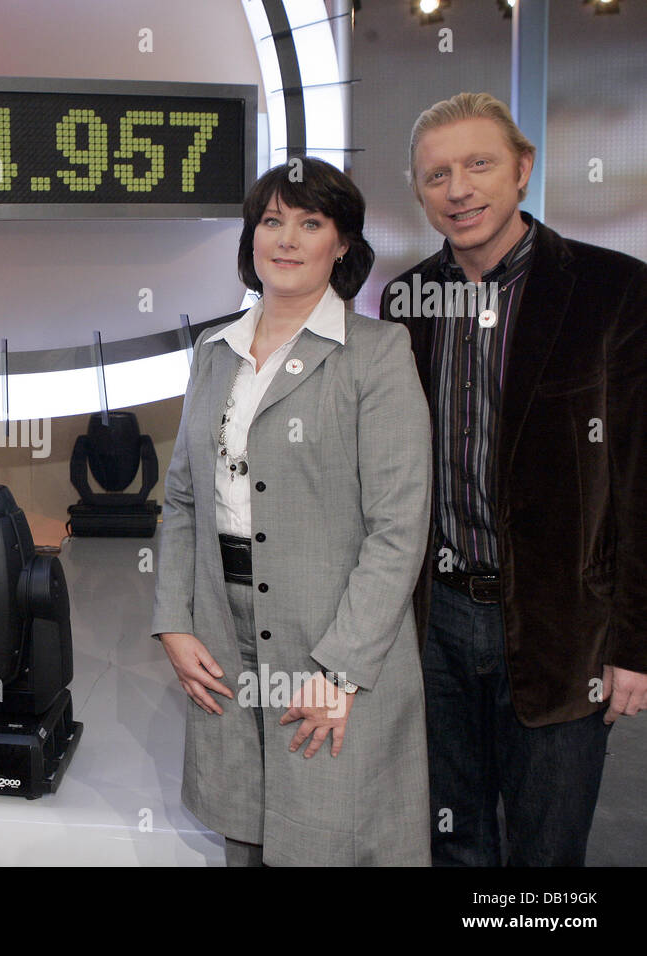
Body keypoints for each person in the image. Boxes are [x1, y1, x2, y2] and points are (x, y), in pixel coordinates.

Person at [380, 92, 647, 866]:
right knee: (452, 839)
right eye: (436, 175)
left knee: (547, 852)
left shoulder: (612, 292)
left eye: (478, 164)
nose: (458, 189)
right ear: (420, 191)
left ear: (523, 170)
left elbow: (638, 479)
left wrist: (635, 641)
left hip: (566, 631)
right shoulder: (406, 304)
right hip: (433, 626)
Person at [151, 157, 432, 866]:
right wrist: (174, 622)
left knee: (331, 837)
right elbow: (183, 498)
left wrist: (340, 670)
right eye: (272, 220)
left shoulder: (377, 353)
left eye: (310, 223)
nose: (286, 238)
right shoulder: (214, 352)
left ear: (342, 245)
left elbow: (398, 529)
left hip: (335, 638)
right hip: (223, 625)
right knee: (244, 829)